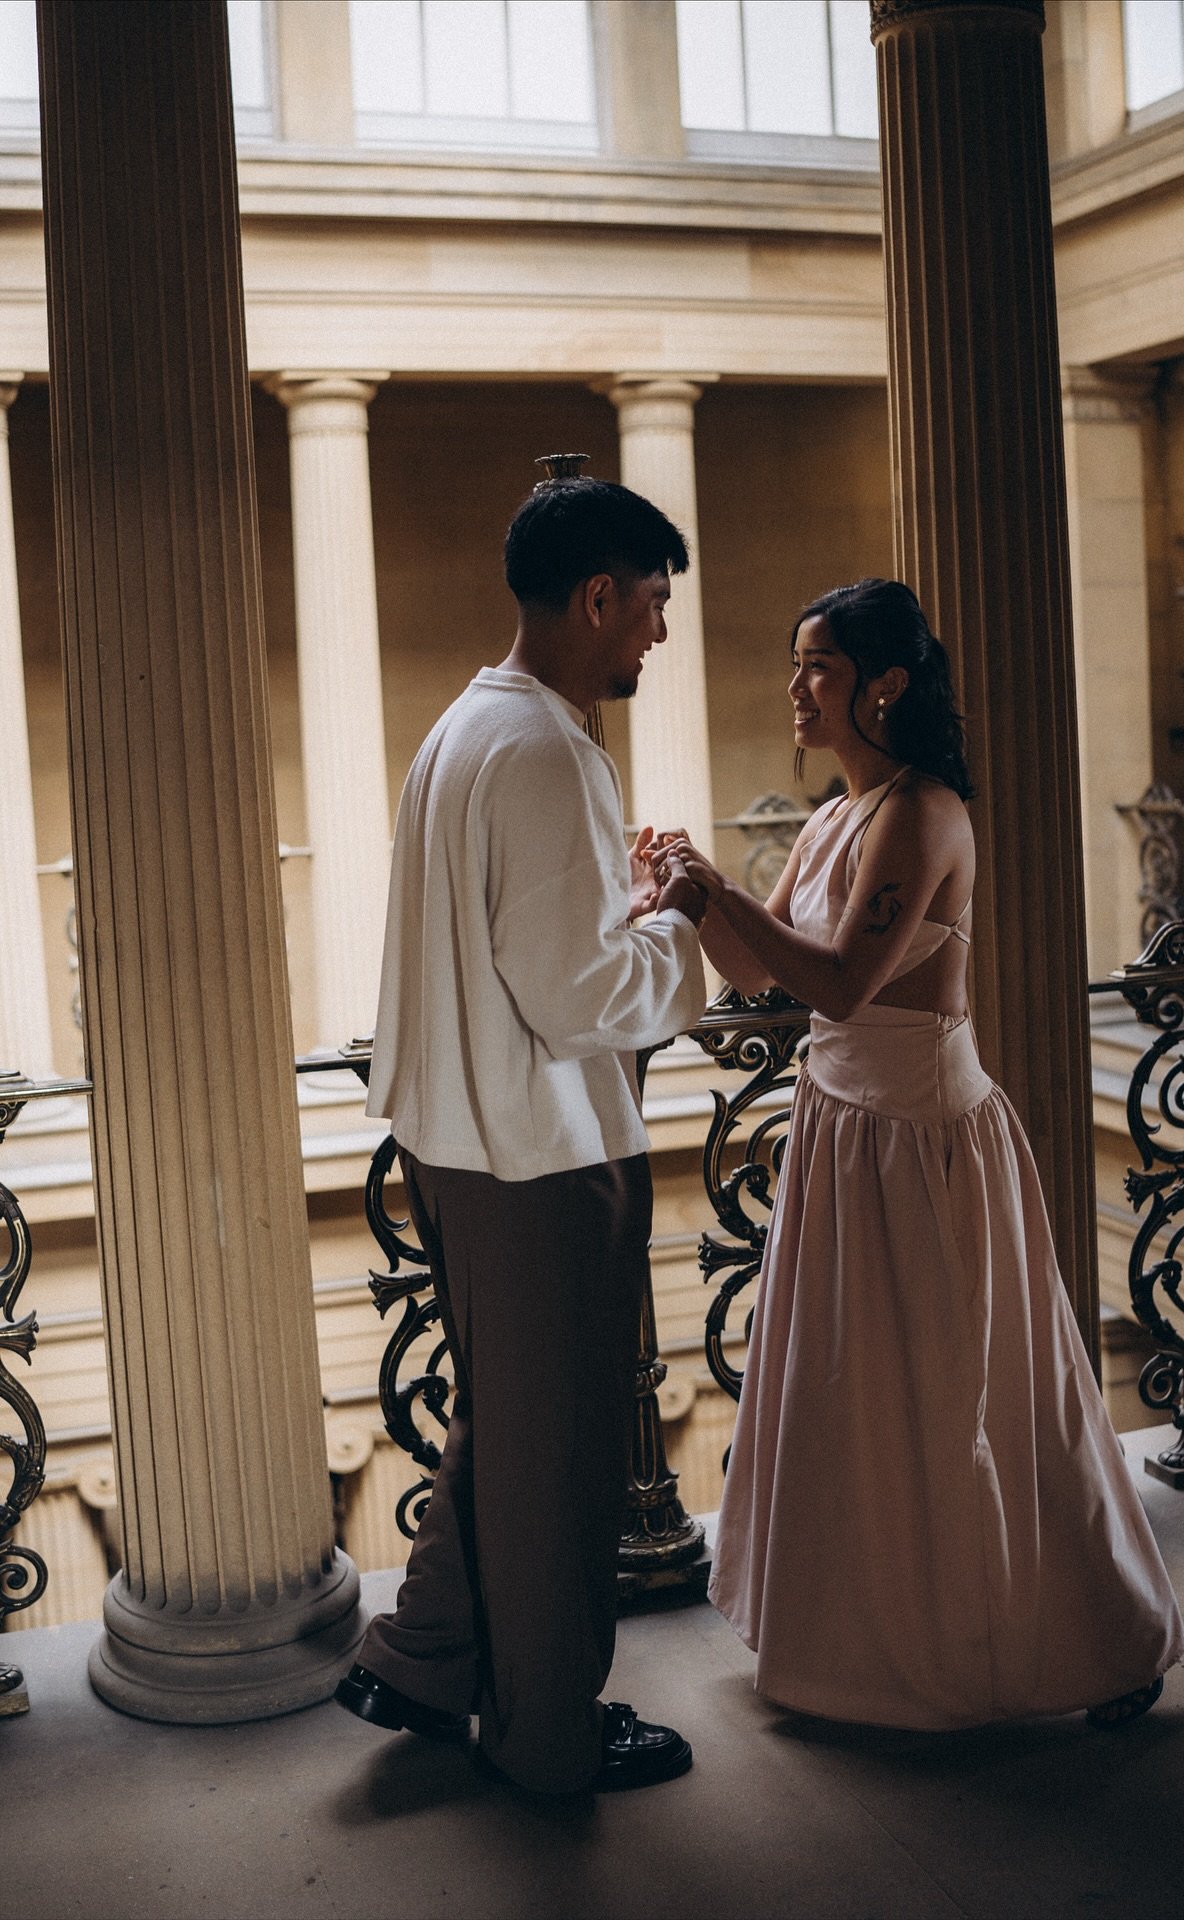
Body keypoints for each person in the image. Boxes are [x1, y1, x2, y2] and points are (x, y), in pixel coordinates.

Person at [659, 578, 1184, 1733]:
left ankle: (1086, 1637)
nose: (798, 689)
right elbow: (761, 979)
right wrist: (693, 893)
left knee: (973, 1399)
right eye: (797, 664)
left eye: (821, 668)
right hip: (846, 1133)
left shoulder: (920, 809)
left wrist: (718, 889)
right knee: (856, 1397)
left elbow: (843, 982)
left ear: (883, 684)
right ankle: (867, 1647)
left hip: (924, 1143)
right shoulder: (837, 816)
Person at [335, 476, 709, 1794]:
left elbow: (510, 950)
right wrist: (678, 926)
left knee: (513, 1423)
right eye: (654, 606)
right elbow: (579, 993)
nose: (659, 636)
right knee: (564, 1460)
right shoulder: (549, 748)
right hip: (539, 1155)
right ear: (599, 594)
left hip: (459, 1141)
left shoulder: (460, 728)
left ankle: (424, 1656)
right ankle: (551, 1735)